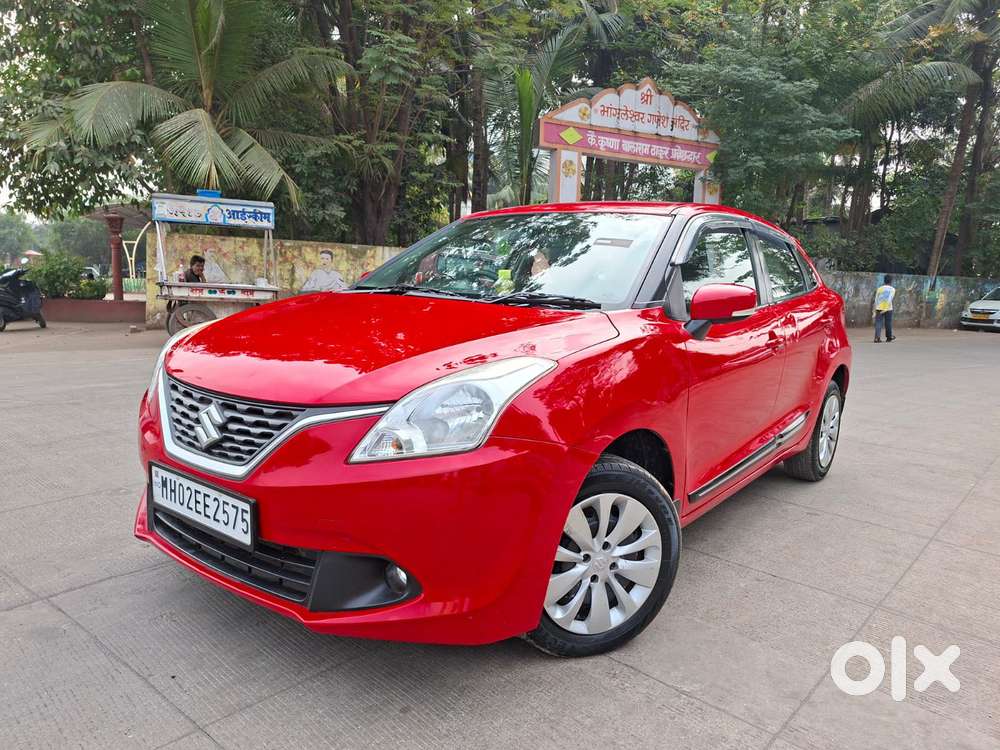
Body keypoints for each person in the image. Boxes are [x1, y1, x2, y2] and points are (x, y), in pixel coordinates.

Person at [873, 273, 896, 343]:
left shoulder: (879, 288)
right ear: (891, 281)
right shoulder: (892, 289)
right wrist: (885, 308)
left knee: (878, 323)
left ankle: (877, 338)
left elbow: (876, 299)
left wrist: (874, 310)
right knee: (888, 323)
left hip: (879, 308)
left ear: (884, 281)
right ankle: (889, 337)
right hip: (888, 309)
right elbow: (890, 299)